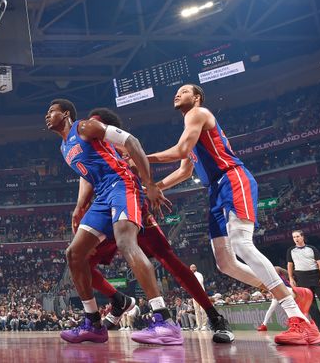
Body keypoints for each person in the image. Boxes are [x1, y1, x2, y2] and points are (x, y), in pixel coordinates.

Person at [149, 83, 320, 345]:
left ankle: (298, 318)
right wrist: (153, 188)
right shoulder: (190, 128)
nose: (178, 94)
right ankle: (290, 292)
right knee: (224, 262)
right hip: (216, 191)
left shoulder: (198, 113)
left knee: (241, 243)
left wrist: (140, 156)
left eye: (184, 91)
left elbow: (180, 151)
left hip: (232, 179)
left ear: (196, 98)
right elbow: (184, 171)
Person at [75, 108, 233, 343]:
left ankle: (215, 317)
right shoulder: (94, 153)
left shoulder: (129, 152)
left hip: (135, 209)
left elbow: (183, 170)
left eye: (94, 123)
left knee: (172, 262)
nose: (87, 126)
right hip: (108, 214)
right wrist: (80, 207)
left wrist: (154, 187)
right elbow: (86, 178)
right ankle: (118, 300)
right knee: (80, 264)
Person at [45, 98, 182, 345]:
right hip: (102, 196)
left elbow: (132, 142)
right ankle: (93, 324)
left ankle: (164, 320)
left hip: (122, 185)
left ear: (66, 114)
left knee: (126, 242)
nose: (47, 116)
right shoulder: (64, 148)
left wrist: (149, 184)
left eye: (51, 111)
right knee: (74, 254)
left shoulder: (85, 127)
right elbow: (87, 177)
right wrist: (79, 208)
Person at [287, 229, 320, 332]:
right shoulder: (291, 250)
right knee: (311, 305)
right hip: (301, 278)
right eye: (294, 237)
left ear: (302, 237)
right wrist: (291, 278)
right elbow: (290, 265)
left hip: (316, 276)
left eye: (298, 236)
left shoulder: (311, 248)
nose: (296, 239)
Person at [258, 266, 315, 331]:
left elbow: (287, 273)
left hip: (287, 290)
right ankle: (264, 325)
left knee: (295, 308)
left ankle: (307, 324)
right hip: (277, 292)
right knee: (272, 308)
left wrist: (288, 277)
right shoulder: (266, 276)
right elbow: (269, 286)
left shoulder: (276, 269)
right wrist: (272, 292)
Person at [189, 265, 208, 331]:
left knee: (203, 310)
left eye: (193, 267)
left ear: (195, 268)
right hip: (194, 295)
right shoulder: (190, 276)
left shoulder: (198, 274)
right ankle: (199, 325)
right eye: (191, 268)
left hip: (201, 293)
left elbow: (199, 283)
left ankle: (204, 325)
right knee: (197, 311)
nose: (192, 268)